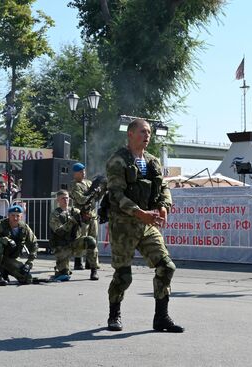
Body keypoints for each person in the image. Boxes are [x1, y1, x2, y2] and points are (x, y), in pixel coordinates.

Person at [105, 118, 183, 332]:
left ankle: (161, 317)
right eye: (142, 131)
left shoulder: (152, 161)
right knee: (123, 275)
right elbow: (116, 195)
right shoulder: (118, 161)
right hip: (123, 225)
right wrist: (140, 213)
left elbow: (163, 188)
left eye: (149, 132)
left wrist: (164, 206)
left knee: (167, 267)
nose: (147, 135)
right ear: (130, 134)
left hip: (147, 224)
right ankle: (114, 315)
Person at [49, 190, 99, 281]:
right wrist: (73, 221)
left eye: (67, 198)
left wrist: (87, 214)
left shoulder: (75, 211)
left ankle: (94, 270)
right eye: (63, 198)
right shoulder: (55, 214)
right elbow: (60, 231)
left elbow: (86, 221)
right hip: (61, 246)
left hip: (75, 242)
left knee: (91, 241)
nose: (65, 200)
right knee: (64, 274)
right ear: (58, 200)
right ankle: (62, 269)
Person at [0, 205, 38, 286]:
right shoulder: (0, 225)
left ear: (21, 217)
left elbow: (34, 244)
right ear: (8, 215)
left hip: (11, 259)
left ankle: (5, 272)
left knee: (27, 279)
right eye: (13, 215)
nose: (15, 218)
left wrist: (29, 263)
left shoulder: (24, 228)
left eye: (18, 216)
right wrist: (3, 240)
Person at [69, 162, 104, 271]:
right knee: (82, 238)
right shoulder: (74, 185)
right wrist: (92, 193)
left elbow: (96, 199)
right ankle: (78, 261)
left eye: (83, 171)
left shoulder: (89, 183)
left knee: (93, 239)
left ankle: (91, 262)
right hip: (81, 215)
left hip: (92, 215)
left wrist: (99, 191)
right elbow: (81, 199)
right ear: (75, 173)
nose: (83, 173)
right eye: (80, 172)